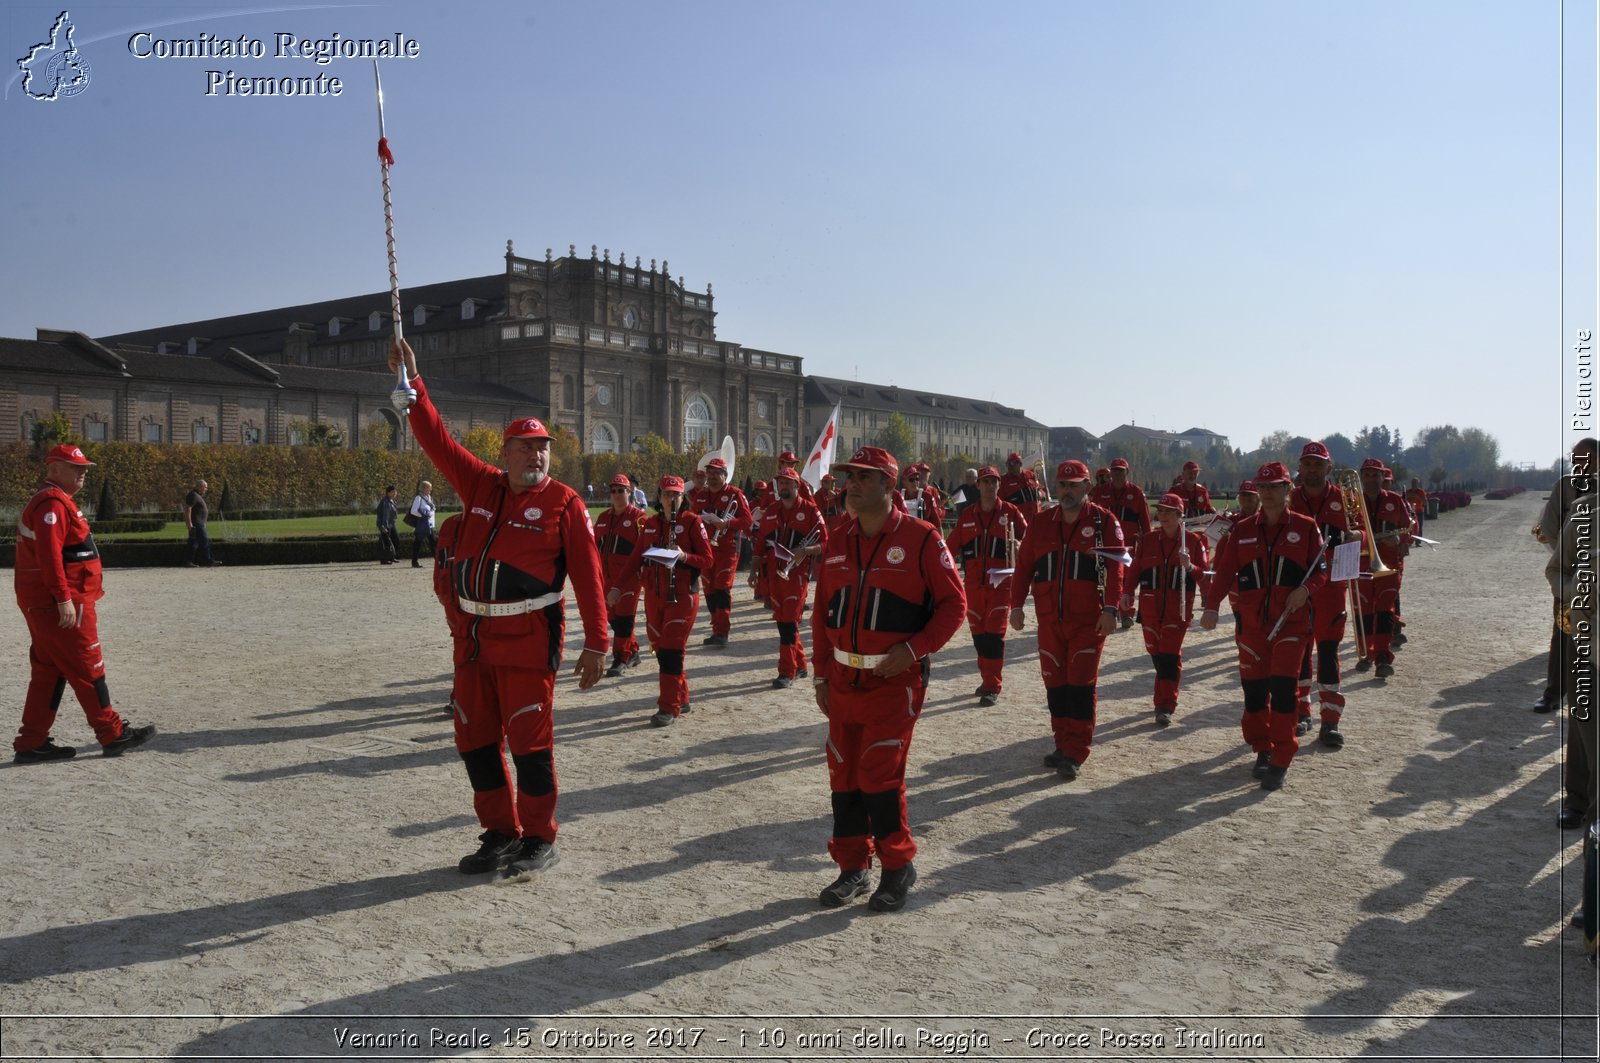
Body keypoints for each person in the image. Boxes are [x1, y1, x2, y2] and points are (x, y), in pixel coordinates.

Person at [389, 336, 610, 881]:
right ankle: (500, 832)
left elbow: (589, 577)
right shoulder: (481, 486)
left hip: (530, 639)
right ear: (504, 453)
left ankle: (538, 835)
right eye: (525, 446)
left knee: (530, 743)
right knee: (474, 740)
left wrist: (600, 642)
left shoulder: (565, 503)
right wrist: (413, 382)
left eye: (544, 448)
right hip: (474, 640)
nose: (536, 455)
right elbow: (436, 440)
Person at [812, 446, 966, 912]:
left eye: (864, 477)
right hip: (842, 680)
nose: (852, 484)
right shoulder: (838, 537)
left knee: (879, 774)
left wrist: (914, 650)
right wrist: (820, 674)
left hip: (893, 681)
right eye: (849, 476)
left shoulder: (921, 538)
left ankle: (898, 867)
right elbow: (822, 613)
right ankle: (853, 867)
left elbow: (954, 606)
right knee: (843, 775)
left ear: (889, 486)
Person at [13, 443, 156, 762]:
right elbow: (50, 557)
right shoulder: (52, 504)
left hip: (48, 602)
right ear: (53, 469)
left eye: (84, 467)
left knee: (49, 671)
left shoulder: (54, 502)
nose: (83, 472)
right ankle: (112, 733)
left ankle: (31, 742)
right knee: (89, 665)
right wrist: (63, 598)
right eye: (74, 466)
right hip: (62, 604)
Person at [1200, 461, 1328, 791]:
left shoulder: (1306, 525)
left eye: (1275, 487)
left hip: (1291, 624)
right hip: (1252, 625)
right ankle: (1263, 749)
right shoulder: (1241, 530)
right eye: (1263, 488)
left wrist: (1305, 590)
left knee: (1284, 691)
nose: (1268, 494)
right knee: (1255, 695)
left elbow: (1321, 570)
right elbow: (1224, 571)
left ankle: (1282, 757)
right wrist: (1211, 607)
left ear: (1288, 490)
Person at [1009, 459, 1128, 781]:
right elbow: (1023, 568)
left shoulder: (1104, 522)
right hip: (1049, 619)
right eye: (1063, 484)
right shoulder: (1041, 522)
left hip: (1088, 621)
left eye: (1074, 485)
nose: (1067, 490)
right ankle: (1062, 744)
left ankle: (1077, 750)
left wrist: (1111, 609)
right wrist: (1016, 605)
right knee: (1056, 687)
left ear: (1087, 487)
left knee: (1079, 686)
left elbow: (1116, 570)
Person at [610, 476, 713, 725]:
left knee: (671, 652)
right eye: (667, 494)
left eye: (676, 495)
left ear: (682, 497)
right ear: (660, 496)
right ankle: (682, 695)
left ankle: (668, 707)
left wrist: (684, 556)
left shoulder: (692, 522)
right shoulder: (650, 524)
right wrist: (616, 587)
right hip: (655, 596)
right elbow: (635, 558)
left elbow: (708, 560)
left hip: (683, 596)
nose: (671, 499)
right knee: (661, 649)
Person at [1289, 441, 1355, 747]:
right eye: (1308, 464)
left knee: (1328, 651)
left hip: (1331, 586)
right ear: (1300, 468)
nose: (1312, 470)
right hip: (1298, 584)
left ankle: (1330, 720)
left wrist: (1358, 537)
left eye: (1318, 465)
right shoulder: (1289, 499)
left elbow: (1362, 538)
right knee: (1299, 651)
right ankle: (1301, 711)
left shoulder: (1346, 498)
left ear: (1329, 468)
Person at [945, 466, 1029, 706]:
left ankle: (993, 685)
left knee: (993, 636)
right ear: (978, 485)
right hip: (972, 587)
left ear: (999, 485)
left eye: (994, 482)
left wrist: (1019, 546)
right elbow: (949, 550)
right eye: (985, 482)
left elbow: (1030, 541)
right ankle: (986, 678)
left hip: (1002, 586)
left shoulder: (1011, 513)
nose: (990, 486)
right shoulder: (968, 515)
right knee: (979, 637)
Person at [1121, 493, 1207, 727]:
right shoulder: (1148, 540)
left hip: (1177, 609)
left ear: (1180, 515)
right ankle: (1165, 695)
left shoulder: (1194, 542)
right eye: (1161, 510)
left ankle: (1165, 705)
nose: (1164, 515)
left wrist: (1190, 566)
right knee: (1157, 655)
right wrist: (1127, 593)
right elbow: (1135, 571)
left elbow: (1205, 577)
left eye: (1169, 511)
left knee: (1168, 657)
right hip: (1149, 608)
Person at [751, 468, 827, 687]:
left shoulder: (811, 510)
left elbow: (826, 543)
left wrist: (807, 550)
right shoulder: (772, 510)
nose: (783, 486)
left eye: (787, 483)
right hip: (775, 574)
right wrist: (754, 571)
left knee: (788, 625)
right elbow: (759, 543)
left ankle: (787, 671)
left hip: (797, 575)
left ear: (796, 485)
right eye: (780, 483)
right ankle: (801, 664)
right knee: (785, 621)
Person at [1351, 457, 1412, 679]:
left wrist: (1401, 542)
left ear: (1382, 477)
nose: (1371, 479)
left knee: (1385, 610)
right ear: (1360, 477)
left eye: (1376, 475)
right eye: (1367, 475)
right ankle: (1365, 653)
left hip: (1388, 563)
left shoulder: (1395, 501)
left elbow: (1407, 528)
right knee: (1364, 611)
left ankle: (1383, 657)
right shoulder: (1352, 501)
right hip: (1361, 563)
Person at [693, 457, 751, 647]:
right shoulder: (700, 495)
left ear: (725, 475)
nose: (712, 477)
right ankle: (716, 627)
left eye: (717, 473)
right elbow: (692, 520)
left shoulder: (736, 494)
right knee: (709, 591)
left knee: (722, 589)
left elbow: (747, 521)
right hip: (706, 550)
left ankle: (722, 632)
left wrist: (726, 523)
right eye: (709, 473)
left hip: (727, 549)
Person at [593, 474, 646, 678]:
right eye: (613, 490)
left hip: (628, 578)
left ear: (629, 492)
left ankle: (620, 658)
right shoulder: (604, 517)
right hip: (605, 577)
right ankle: (632, 651)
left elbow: (645, 549)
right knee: (612, 618)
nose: (616, 494)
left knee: (624, 619)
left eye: (620, 490)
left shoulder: (639, 518)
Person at [1091, 457, 1152, 629]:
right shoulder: (1101, 492)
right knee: (1103, 578)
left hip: (1128, 544)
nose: (1118, 475)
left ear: (1127, 472)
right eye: (1115, 471)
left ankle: (1126, 612)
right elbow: (1090, 515)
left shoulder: (1137, 493)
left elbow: (1145, 521)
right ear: (1110, 473)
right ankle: (1108, 610)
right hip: (1104, 543)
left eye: (1121, 471)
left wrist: (1148, 542)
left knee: (1127, 579)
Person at [184, 479, 218, 567]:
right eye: (205, 487)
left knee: (193, 544)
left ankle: (189, 562)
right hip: (197, 524)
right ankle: (209, 561)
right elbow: (188, 509)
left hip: (199, 524)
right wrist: (189, 524)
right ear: (199, 486)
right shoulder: (193, 495)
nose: (206, 489)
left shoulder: (196, 495)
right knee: (205, 542)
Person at [409, 481, 438, 569]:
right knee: (418, 543)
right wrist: (423, 516)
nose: (431, 490)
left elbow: (431, 510)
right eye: (429, 488)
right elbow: (413, 511)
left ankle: (437, 561)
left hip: (429, 525)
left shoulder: (429, 497)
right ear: (424, 488)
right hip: (422, 524)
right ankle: (414, 561)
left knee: (432, 542)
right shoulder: (419, 498)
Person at [375, 485, 400, 565]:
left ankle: (391, 557)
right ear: (388, 493)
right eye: (393, 492)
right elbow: (384, 515)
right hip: (385, 524)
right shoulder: (385, 502)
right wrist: (383, 526)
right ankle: (384, 559)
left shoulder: (391, 501)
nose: (395, 493)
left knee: (395, 539)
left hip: (391, 524)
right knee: (386, 542)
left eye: (395, 492)